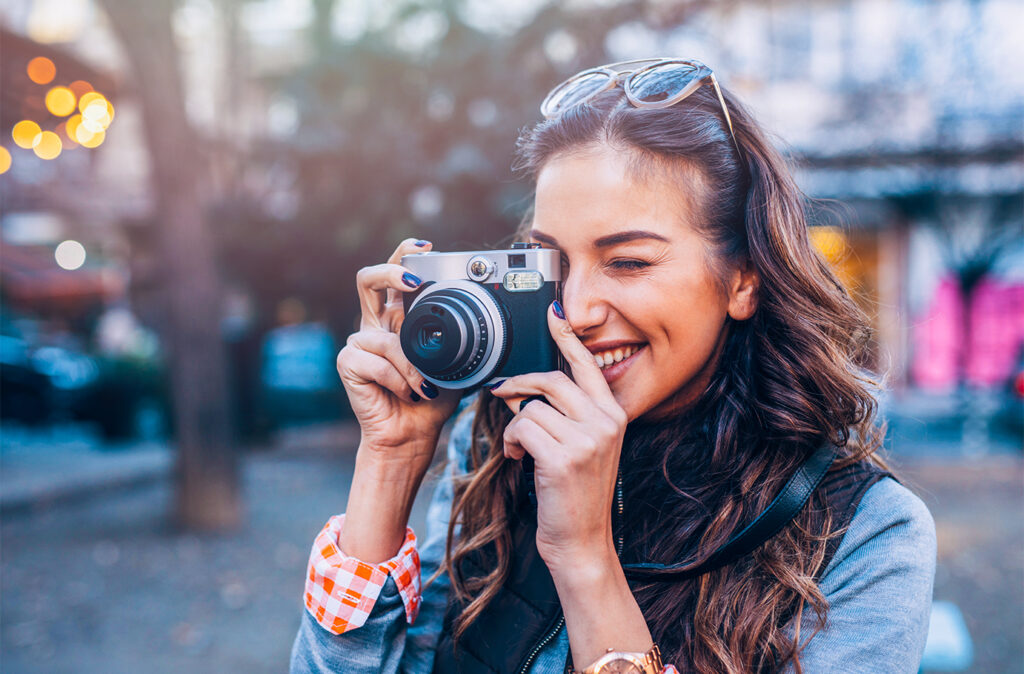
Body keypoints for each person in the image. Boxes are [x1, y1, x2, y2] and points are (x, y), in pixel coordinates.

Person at [290, 58, 936, 674]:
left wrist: (584, 558)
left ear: (744, 278)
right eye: (550, 263)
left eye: (627, 262)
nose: (574, 309)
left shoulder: (863, 533)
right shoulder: (496, 443)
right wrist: (392, 459)